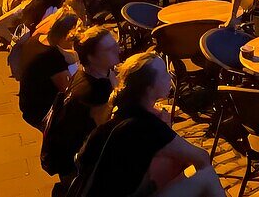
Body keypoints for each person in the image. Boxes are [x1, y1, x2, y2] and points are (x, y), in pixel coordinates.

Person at [73, 51, 225, 197]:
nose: (169, 76)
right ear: (150, 88)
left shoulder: (118, 115)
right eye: (165, 74)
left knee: (175, 166)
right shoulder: (147, 125)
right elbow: (202, 158)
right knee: (206, 176)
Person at [42, 26, 121, 183]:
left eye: (115, 43)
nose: (117, 49)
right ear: (91, 57)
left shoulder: (88, 72)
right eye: (109, 48)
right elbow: (109, 135)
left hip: (74, 153)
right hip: (76, 166)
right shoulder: (95, 92)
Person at [18, 11, 79, 129]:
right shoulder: (53, 57)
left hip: (27, 104)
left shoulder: (36, 39)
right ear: (66, 37)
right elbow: (69, 91)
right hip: (41, 111)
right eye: (74, 40)